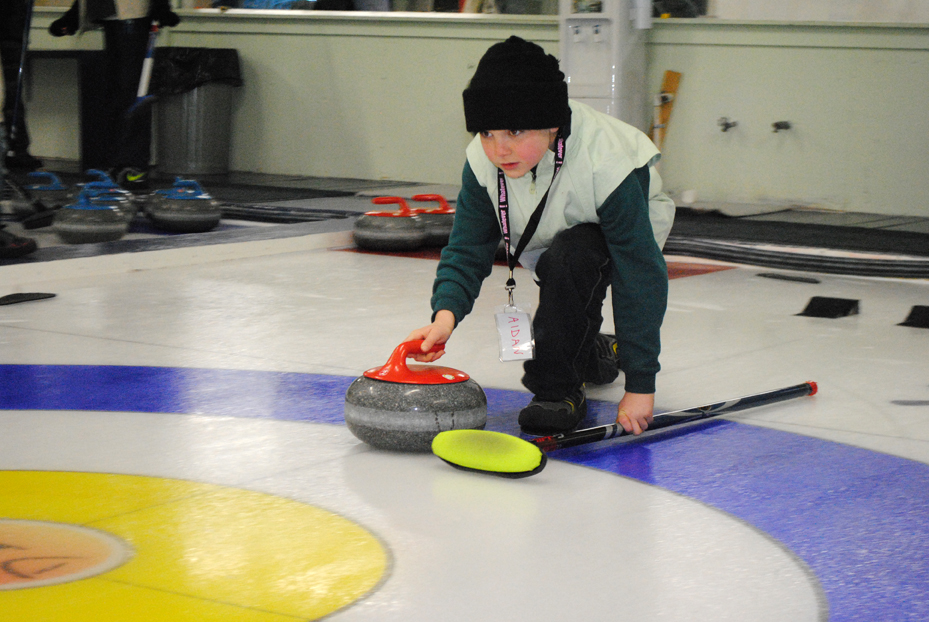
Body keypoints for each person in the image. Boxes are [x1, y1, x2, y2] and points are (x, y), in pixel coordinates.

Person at [404, 36, 675, 436]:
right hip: (546, 242)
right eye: (487, 133)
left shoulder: (608, 158)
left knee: (572, 258)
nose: (499, 149)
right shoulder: (482, 161)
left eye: (514, 130)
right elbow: (467, 248)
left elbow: (639, 275)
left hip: (616, 239)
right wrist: (443, 319)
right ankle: (596, 352)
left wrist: (640, 386)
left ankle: (557, 392)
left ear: (552, 123)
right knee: (563, 272)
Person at [48, 0, 181, 191]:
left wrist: (161, 6)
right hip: (114, 18)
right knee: (117, 97)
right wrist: (74, 17)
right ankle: (119, 164)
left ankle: (132, 166)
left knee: (132, 95)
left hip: (131, 17)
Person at [1, 0, 43, 172]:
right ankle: (17, 150)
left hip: (9, 39)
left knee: (10, 97)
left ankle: (15, 149)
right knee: (11, 97)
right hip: (12, 38)